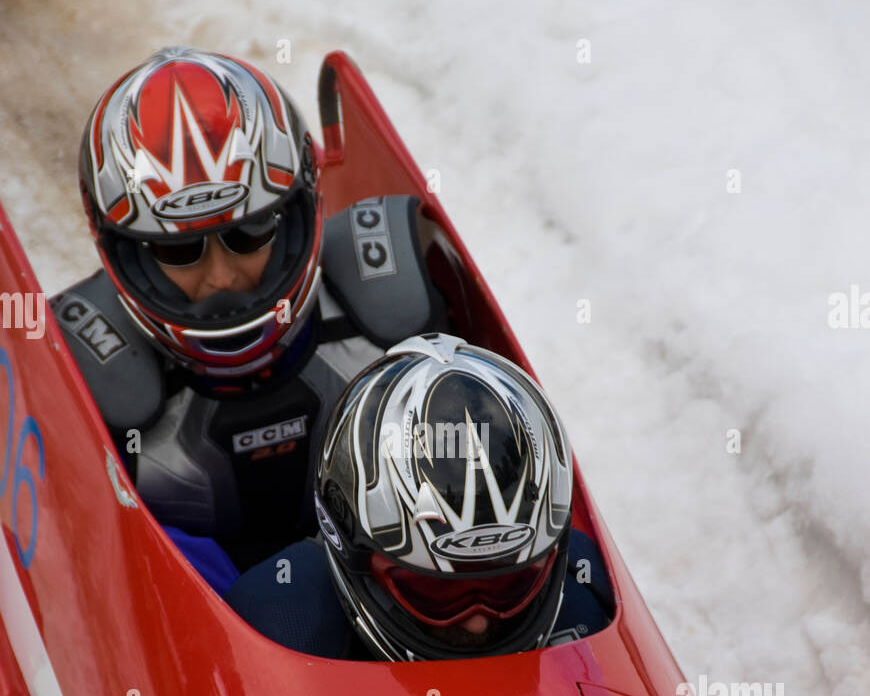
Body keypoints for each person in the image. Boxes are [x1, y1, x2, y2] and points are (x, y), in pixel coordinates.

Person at [52, 46, 449, 580]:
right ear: (128, 252)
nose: (221, 278)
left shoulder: (389, 315)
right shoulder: (82, 378)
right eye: (177, 251)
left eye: (250, 232)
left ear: (295, 216)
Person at [225, 333, 614, 658]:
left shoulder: (588, 593)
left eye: (508, 585)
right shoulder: (283, 626)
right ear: (355, 556)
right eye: (436, 590)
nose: (478, 621)